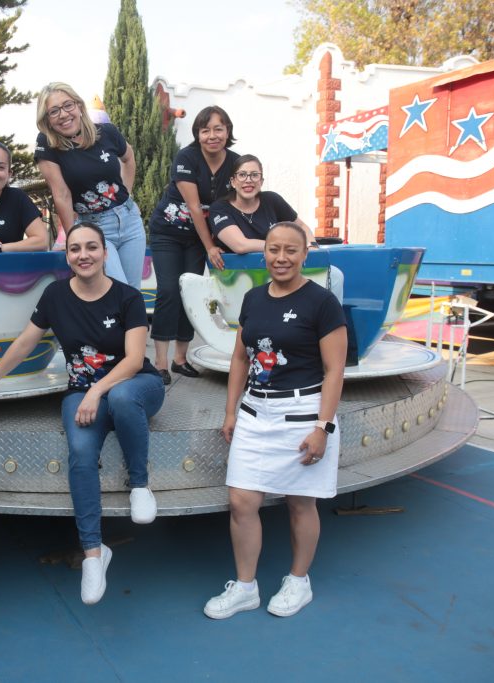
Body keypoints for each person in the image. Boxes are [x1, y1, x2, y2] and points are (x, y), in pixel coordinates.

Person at [0, 222, 165, 605]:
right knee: (82, 454)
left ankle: (139, 485)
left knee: (119, 399)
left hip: (135, 387)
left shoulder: (128, 297)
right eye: (74, 249)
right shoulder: (55, 296)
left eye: (91, 247)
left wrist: (97, 390)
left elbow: (135, 359)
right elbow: (25, 343)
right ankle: (93, 554)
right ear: (67, 255)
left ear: (104, 253)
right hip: (83, 394)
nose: (83, 255)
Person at [203, 222, 346, 620]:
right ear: (264, 252)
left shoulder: (321, 303)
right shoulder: (252, 299)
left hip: (302, 416)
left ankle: (299, 581)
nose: (281, 258)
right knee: (241, 502)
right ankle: (246, 587)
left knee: (301, 504)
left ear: (304, 255)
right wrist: (231, 411)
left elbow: (335, 371)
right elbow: (239, 358)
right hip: (255, 413)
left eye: (290, 250)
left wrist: (323, 428)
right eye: (273, 249)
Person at [149, 106, 240, 384]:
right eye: (205, 130)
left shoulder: (236, 163)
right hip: (168, 232)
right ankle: (161, 362)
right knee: (168, 291)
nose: (212, 135)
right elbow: (193, 206)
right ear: (198, 134)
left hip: (199, 238)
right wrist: (211, 247)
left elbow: (235, 204)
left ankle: (180, 359)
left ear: (228, 131)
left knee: (190, 292)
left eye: (218, 129)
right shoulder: (186, 157)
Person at [34, 82, 145, 289]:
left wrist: (127, 194)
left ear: (79, 106)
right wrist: (73, 241)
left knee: (132, 292)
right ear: (47, 119)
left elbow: (129, 158)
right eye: (54, 111)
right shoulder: (47, 144)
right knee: (116, 288)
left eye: (68, 105)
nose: (63, 114)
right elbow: (62, 194)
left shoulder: (107, 132)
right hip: (94, 227)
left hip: (130, 222)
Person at [208, 155, 317, 253]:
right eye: (242, 175)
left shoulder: (272, 200)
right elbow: (240, 245)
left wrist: (311, 245)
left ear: (261, 181)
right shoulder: (219, 209)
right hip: (236, 273)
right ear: (233, 182)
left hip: (276, 269)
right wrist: (285, 247)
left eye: (255, 175)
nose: (248, 180)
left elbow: (301, 226)